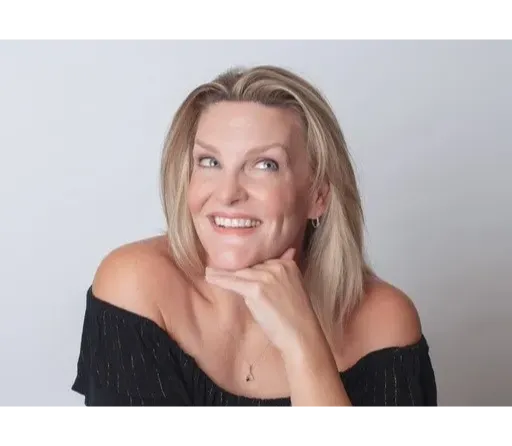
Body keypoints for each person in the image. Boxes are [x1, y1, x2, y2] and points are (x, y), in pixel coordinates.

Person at [71, 65, 437, 408]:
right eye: (210, 162)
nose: (228, 193)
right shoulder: (138, 288)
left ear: (318, 195)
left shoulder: (383, 322)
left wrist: (303, 345)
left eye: (265, 165)